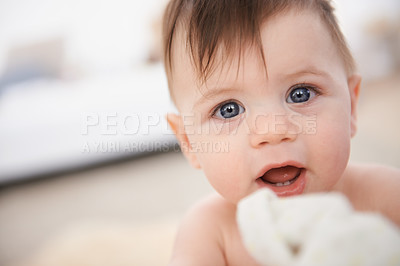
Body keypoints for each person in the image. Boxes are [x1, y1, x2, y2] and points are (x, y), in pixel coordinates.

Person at [161, 0, 400, 265]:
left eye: (301, 94)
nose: (272, 132)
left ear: (352, 106)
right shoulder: (210, 232)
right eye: (228, 110)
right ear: (189, 142)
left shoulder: (384, 196)